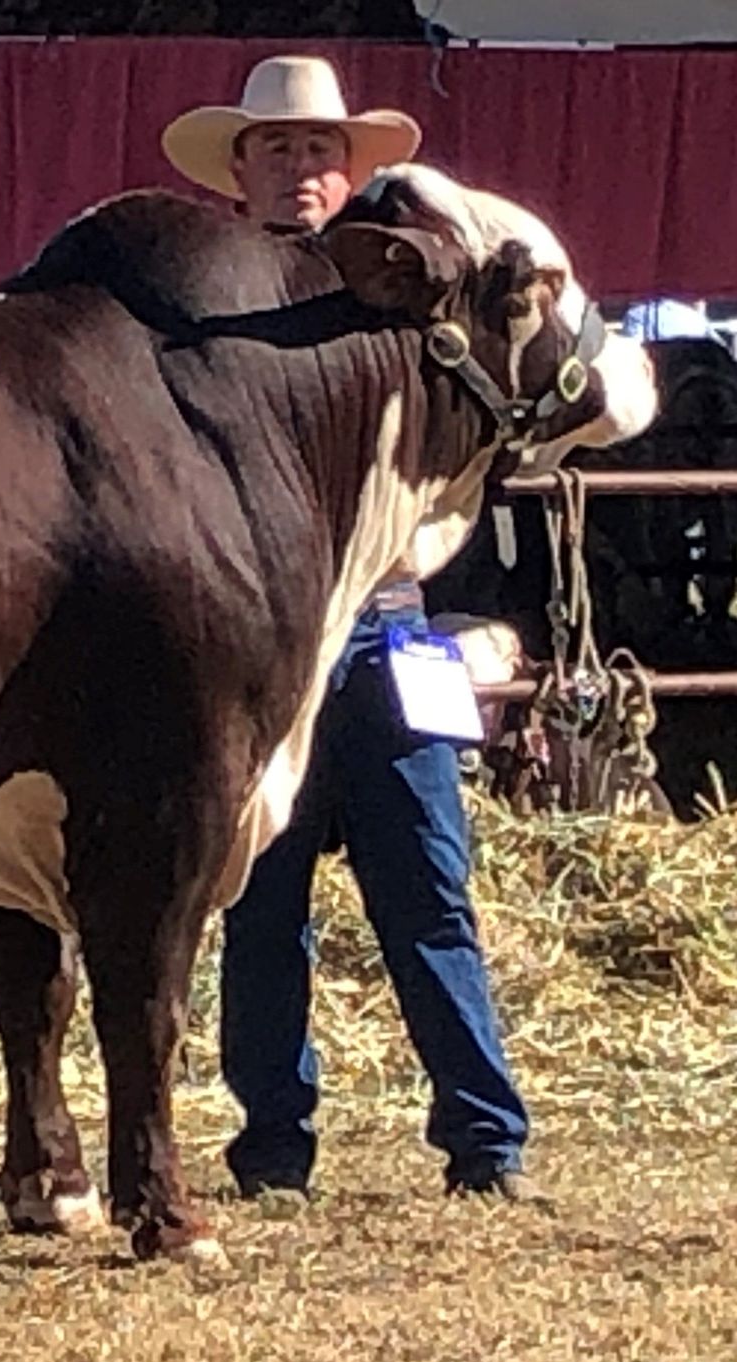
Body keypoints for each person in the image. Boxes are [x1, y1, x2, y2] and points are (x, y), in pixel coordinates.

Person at [160, 55, 551, 1207]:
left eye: (318, 150)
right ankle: (273, 1144)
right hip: (264, 644)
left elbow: (491, 426)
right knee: (257, 902)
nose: (299, 169)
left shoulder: (418, 288)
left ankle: (487, 1139)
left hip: (386, 626)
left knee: (429, 888)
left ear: (350, 169)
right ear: (242, 169)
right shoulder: (206, 295)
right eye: (277, 149)